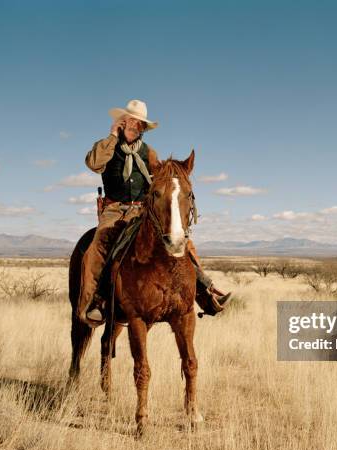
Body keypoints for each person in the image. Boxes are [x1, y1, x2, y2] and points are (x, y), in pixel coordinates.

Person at [77, 99, 231, 326]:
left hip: (142, 209)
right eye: (131, 120)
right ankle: (96, 300)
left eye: (139, 123)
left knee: (182, 241)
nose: (134, 125)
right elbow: (93, 163)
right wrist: (111, 136)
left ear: (143, 128)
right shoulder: (108, 147)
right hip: (114, 209)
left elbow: (160, 182)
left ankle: (205, 292)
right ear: (122, 121)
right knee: (100, 242)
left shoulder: (149, 153)